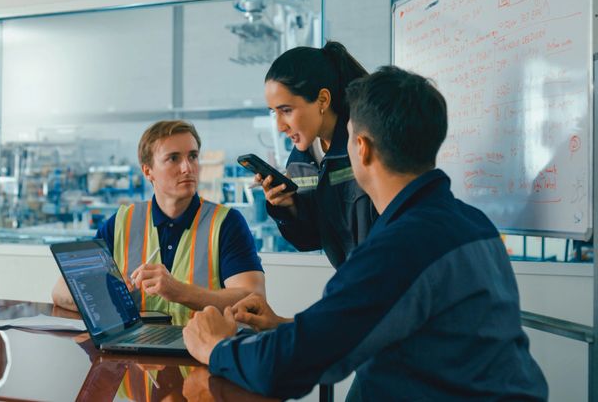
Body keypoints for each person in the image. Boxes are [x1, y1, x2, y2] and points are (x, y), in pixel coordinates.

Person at [183, 67, 548, 401]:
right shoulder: (472, 224)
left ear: (362, 147)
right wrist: (284, 326)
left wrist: (216, 348)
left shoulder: (398, 248)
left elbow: (286, 370)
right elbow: (408, 325)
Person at [52, 120, 265, 326]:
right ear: (148, 171)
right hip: (134, 349)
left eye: (193, 156)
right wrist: (109, 297)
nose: (187, 168)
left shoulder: (227, 223)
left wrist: (179, 291)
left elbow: (253, 300)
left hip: (204, 348)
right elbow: (61, 291)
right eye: (173, 158)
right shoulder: (122, 222)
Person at [259, 41, 378, 267]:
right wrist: (288, 208)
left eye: (286, 110)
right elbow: (311, 239)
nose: (280, 126)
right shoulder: (300, 160)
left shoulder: (366, 145)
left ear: (323, 100)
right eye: (274, 112)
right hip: (352, 279)